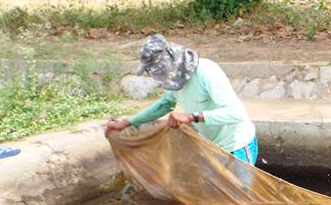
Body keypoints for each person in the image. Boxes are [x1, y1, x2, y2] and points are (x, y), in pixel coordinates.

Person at [105, 34, 258, 165]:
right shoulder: (172, 79)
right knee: (210, 196)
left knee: (241, 197)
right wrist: (128, 122)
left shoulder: (206, 71)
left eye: (158, 70)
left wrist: (191, 117)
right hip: (211, 147)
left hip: (236, 146)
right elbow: (165, 104)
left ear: (169, 63)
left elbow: (235, 113)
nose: (159, 76)